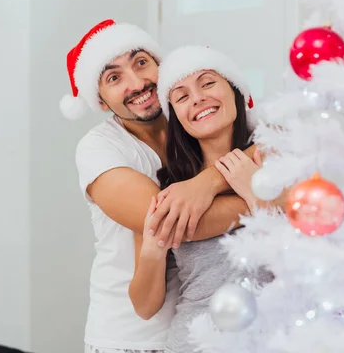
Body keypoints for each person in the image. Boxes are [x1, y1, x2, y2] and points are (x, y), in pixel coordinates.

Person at [63, 20, 257, 353]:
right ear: (101, 101)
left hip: (219, 327)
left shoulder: (193, 118)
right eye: (114, 77)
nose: (137, 83)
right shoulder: (99, 148)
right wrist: (269, 201)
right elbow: (169, 222)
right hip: (132, 337)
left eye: (141, 63)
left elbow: (279, 142)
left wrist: (207, 183)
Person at [130, 45, 281, 353]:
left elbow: (302, 260)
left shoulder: (276, 158)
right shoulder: (166, 190)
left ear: (235, 90)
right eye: (182, 96)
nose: (198, 98)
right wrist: (152, 249)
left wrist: (251, 191)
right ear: (177, 118)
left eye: (208, 82)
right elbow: (144, 307)